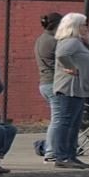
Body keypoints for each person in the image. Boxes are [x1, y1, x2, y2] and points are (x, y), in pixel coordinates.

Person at [49, 13, 89, 169]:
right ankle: (62, 156)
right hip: (69, 88)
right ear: (74, 26)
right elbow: (62, 55)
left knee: (74, 124)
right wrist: (71, 67)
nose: (86, 28)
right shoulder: (71, 41)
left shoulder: (78, 42)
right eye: (83, 25)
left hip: (78, 89)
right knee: (66, 122)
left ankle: (71, 155)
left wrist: (87, 43)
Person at [34, 11, 61, 156]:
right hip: (53, 83)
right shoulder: (53, 41)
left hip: (45, 82)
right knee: (57, 119)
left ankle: (53, 148)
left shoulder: (41, 39)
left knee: (57, 118)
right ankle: (51, 151)